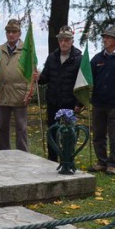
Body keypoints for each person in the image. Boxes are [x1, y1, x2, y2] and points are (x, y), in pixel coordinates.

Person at [89, 24, 115, 174]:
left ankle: (112, 163)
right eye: (104, 37)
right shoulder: (96, 59)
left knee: (114, 136)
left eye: (108, 37)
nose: (105, 40)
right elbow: (89, 81)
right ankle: (101, 161)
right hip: (98, 103)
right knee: (98, 135)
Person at [38, 25, 83, 161]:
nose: (63, 43)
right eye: (61, 40)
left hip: (69, 104)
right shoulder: (52, 57)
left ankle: (67, 160)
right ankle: (52, 159)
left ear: (72, 41)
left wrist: (79, 103)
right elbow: (45, 78)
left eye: (66, 40)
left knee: (68, 134)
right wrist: (37, 77)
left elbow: (82, 84)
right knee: (52, 132)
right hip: (53, 102)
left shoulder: (79, 59)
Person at [0, 19, 37, 152]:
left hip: (20, 95)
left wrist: (29, 93)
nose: (11, 34)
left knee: (21, 128)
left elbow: (32, 75)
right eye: (8, 32)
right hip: (3, 94)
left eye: (14, 31)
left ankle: (22, 154)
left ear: (19, 33)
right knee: (3, 128)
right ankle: (3, 153)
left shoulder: (27, 51)